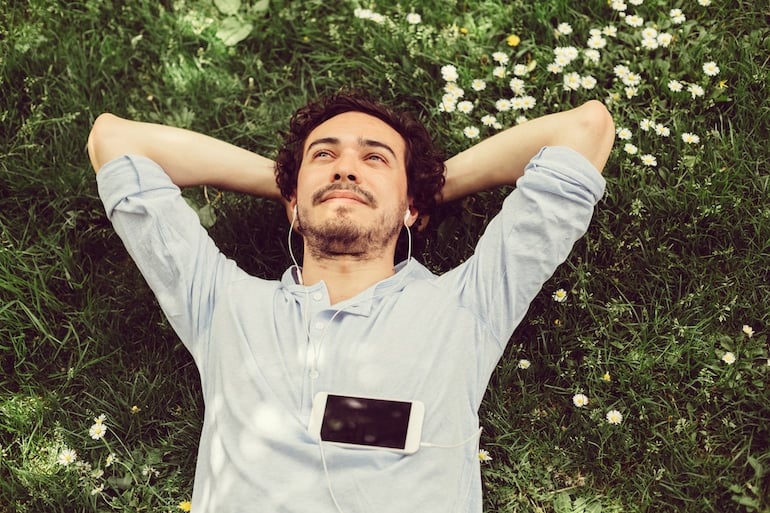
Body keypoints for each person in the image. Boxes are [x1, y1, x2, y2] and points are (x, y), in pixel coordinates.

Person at [88, 91, 614, 512]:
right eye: (324, 156)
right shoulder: (222, 304)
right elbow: (115, 141)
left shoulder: (468, 305)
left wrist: (419, 190)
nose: (345, 169)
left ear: (412, 208)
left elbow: (584, 130)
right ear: (292, 201)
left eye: (373, 158)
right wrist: (296, 189)